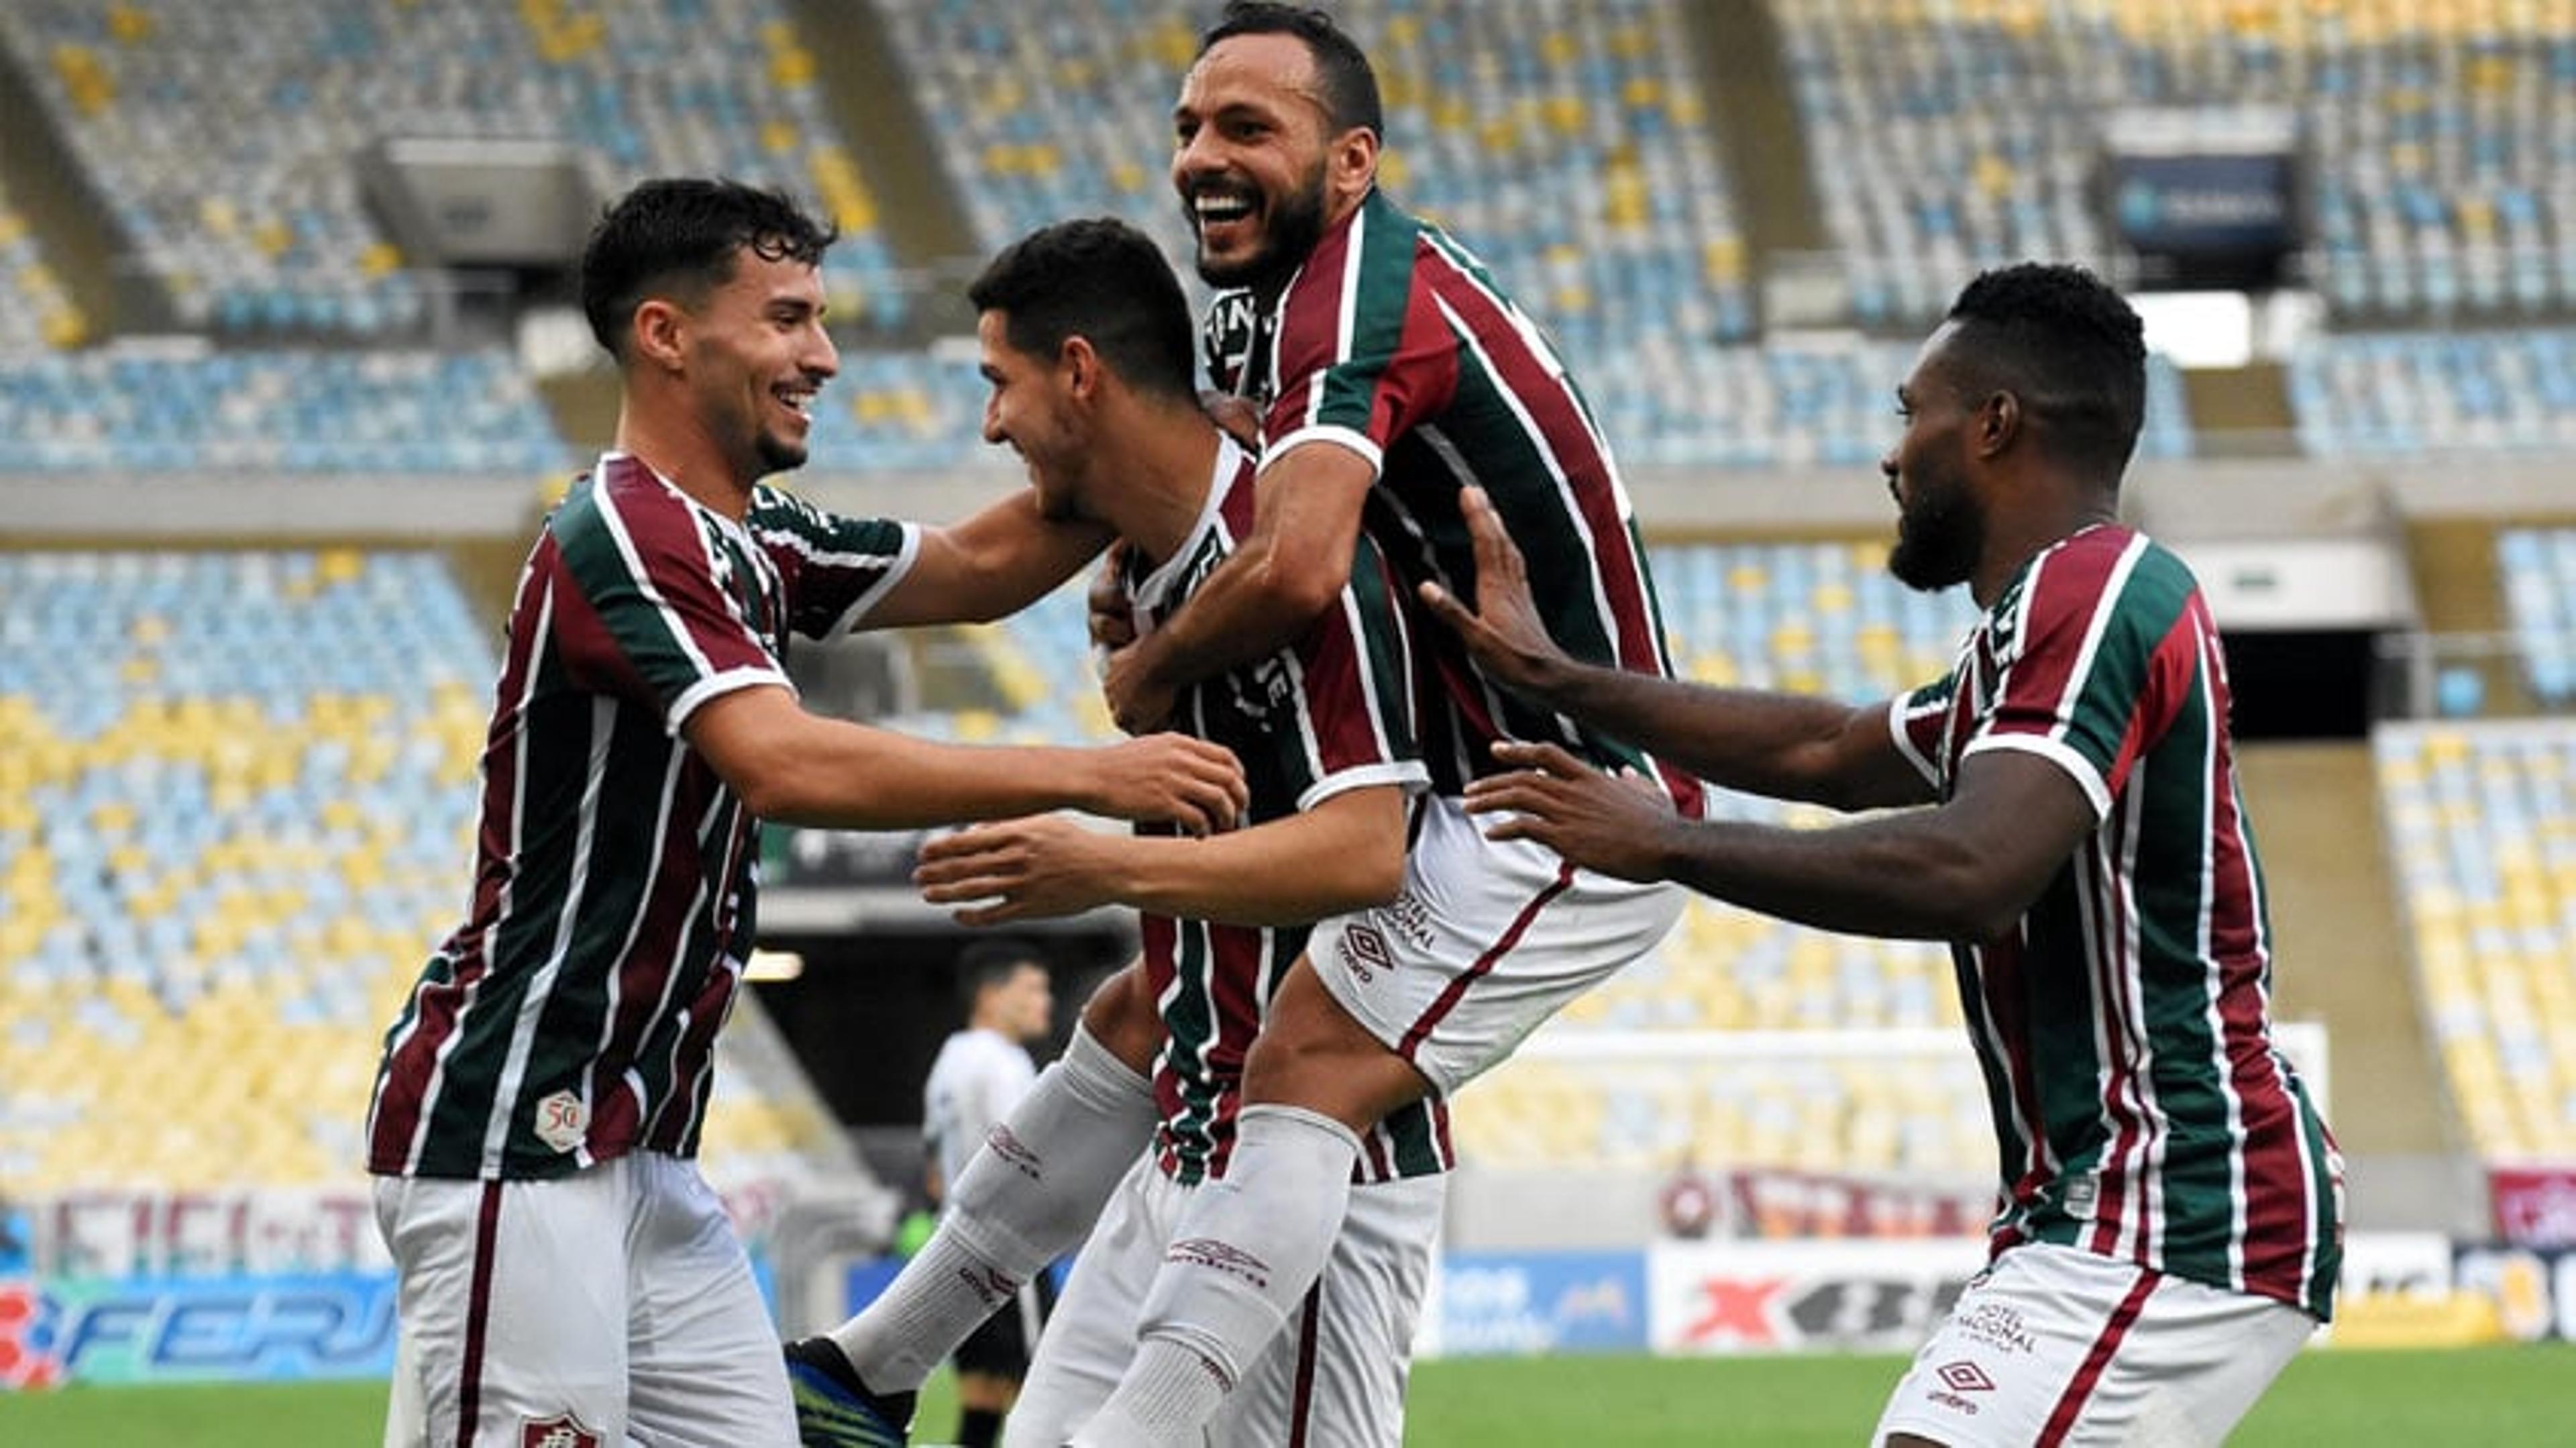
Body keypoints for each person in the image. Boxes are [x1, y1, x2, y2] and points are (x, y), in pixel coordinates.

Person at [362, 178, 1248, 1448]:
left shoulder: (748, 533)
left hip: (645, 1147)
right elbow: (784, 764)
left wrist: (1160, 438)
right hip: (521, 1131)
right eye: (786, 319)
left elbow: (983, 567)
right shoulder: (624, 529)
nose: (821, 355)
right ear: (668, 334)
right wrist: (1093, 772)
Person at [1423, 262, 2346, 1447]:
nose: (1894, 452)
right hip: (2103, 1197)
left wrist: (1668, 840)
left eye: (1913, 411)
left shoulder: (2102, 585)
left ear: (1995, 423)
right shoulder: (2022, 642)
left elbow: (1976, 868)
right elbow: (1829, 748)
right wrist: (1559, 678)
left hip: (2179, 1194)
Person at [1057, 7, 1699, 1442]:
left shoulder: (1357, 299)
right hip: (1481, 794)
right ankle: (900, 1355)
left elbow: (1294, 562)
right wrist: (1139, 552)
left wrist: (1154, 669)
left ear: (1351, 162)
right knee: (1170, 1013)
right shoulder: (1282, 300)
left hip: (1570, 806)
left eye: (1247, 129)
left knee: (1301, 1063)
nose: (1202, 160)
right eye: (1187, 128)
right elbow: (1232, 479)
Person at [788, 216, 1450, 1448]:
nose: (992, 425)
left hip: (1309, 1185)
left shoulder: (1300, 564)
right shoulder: (1151, 569)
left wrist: (1097, 857)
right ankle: (869, 1362)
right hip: (1176, 1157)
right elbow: (980, 562)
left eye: (1002, 384)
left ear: (1081, 372)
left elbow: (1368, 852)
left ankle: (871, 1360)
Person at [919, 939, 1057, 1448]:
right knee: (1045, 1393)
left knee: (981, 1394)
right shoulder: (1004, 1062)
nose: (1046, 1001)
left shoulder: (948, 1059)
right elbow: (1024, 1157)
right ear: (991, 996)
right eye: (1033, 988)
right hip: (1008, 1252)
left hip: (954, 1249)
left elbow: (934, 1168)